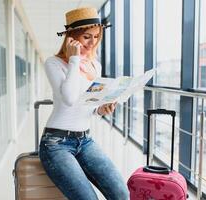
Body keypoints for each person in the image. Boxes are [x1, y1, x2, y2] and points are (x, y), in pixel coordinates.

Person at [39, 7, 129, 200]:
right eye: (87, 37)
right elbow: (70, 99)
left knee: (121, 193)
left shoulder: (95, 65)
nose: (92, 43)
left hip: (85, 141)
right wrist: (73, 59)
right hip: (56, 144)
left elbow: (88, 103)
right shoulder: (54, 63)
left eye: (96, 37)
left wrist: (101, 108)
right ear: (71, 36)